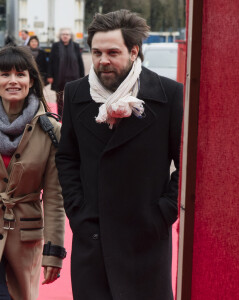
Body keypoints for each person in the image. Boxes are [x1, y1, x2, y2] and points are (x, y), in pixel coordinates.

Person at [56, 9, 183, 300]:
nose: (103, 60)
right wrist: (78, 211)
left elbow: (187, 165)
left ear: (133, 51)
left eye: (113, 52)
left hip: (146, 239)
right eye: (97, 52)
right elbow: (67, 158)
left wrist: (164, 212)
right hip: (93, 237)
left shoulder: (168, 94)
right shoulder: (76, 94)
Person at [0, 45, 66, 300]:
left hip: (25, 237)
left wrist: (55, 250)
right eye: (5, 74)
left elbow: (54, 197)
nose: (13, 81)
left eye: (20, 74)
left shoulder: (50, 129)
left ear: (31, 80)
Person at [47, 28, 84, 117]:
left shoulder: (75, 46)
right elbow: (51, 61)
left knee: (72, 96)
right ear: (60, 36)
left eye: (67, 34)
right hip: (59, 76)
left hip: (73, 77)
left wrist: (82, 76)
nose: (65, 36)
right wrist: (50, 75)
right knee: (59, 97)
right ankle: (60, 115)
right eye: (63, 34)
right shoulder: (56, 46)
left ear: (70, 36)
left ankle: (71, 115)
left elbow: (80, 62)